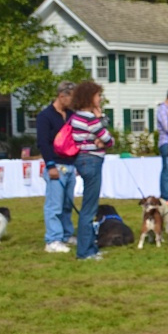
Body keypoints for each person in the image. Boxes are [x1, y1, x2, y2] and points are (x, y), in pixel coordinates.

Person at [69, 80, 114, 261]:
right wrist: (103, 140)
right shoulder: (88, 118)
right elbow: (108, 139)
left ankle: (90, 248)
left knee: (89, 206)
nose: (100, 98)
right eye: (98, 95)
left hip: (83, 160)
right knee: (89, 208)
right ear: (90, 97)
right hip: (92, 160)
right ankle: (85, 251)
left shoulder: (76, 117)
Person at [36, 81, 77, 253]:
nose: (73, 102)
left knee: (68, 203)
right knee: (54, 205)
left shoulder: (71, 115)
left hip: (70, 164)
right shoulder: (45, 116)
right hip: (56, 165)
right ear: (62, 96)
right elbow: (43, 143)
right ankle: (52, 239)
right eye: (71, 98)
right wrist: (50, 165)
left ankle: (66, 234)